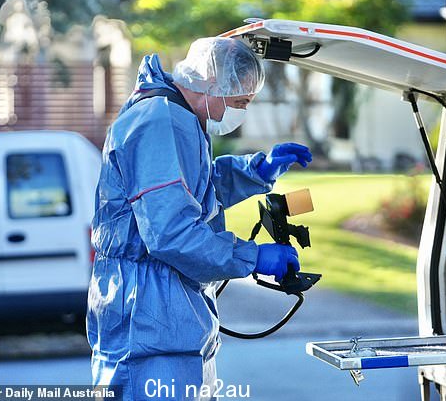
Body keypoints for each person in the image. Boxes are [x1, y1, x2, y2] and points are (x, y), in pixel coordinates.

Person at [87, 37, 312, 400]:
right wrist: (253, 257)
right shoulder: (159, 122)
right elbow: (171, 234)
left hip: (169, 320)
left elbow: (196, 189)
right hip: (148, 322)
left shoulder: (179, 117)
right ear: (211, 83)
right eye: (240, 101)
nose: (241, 111)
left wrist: (259, 170)